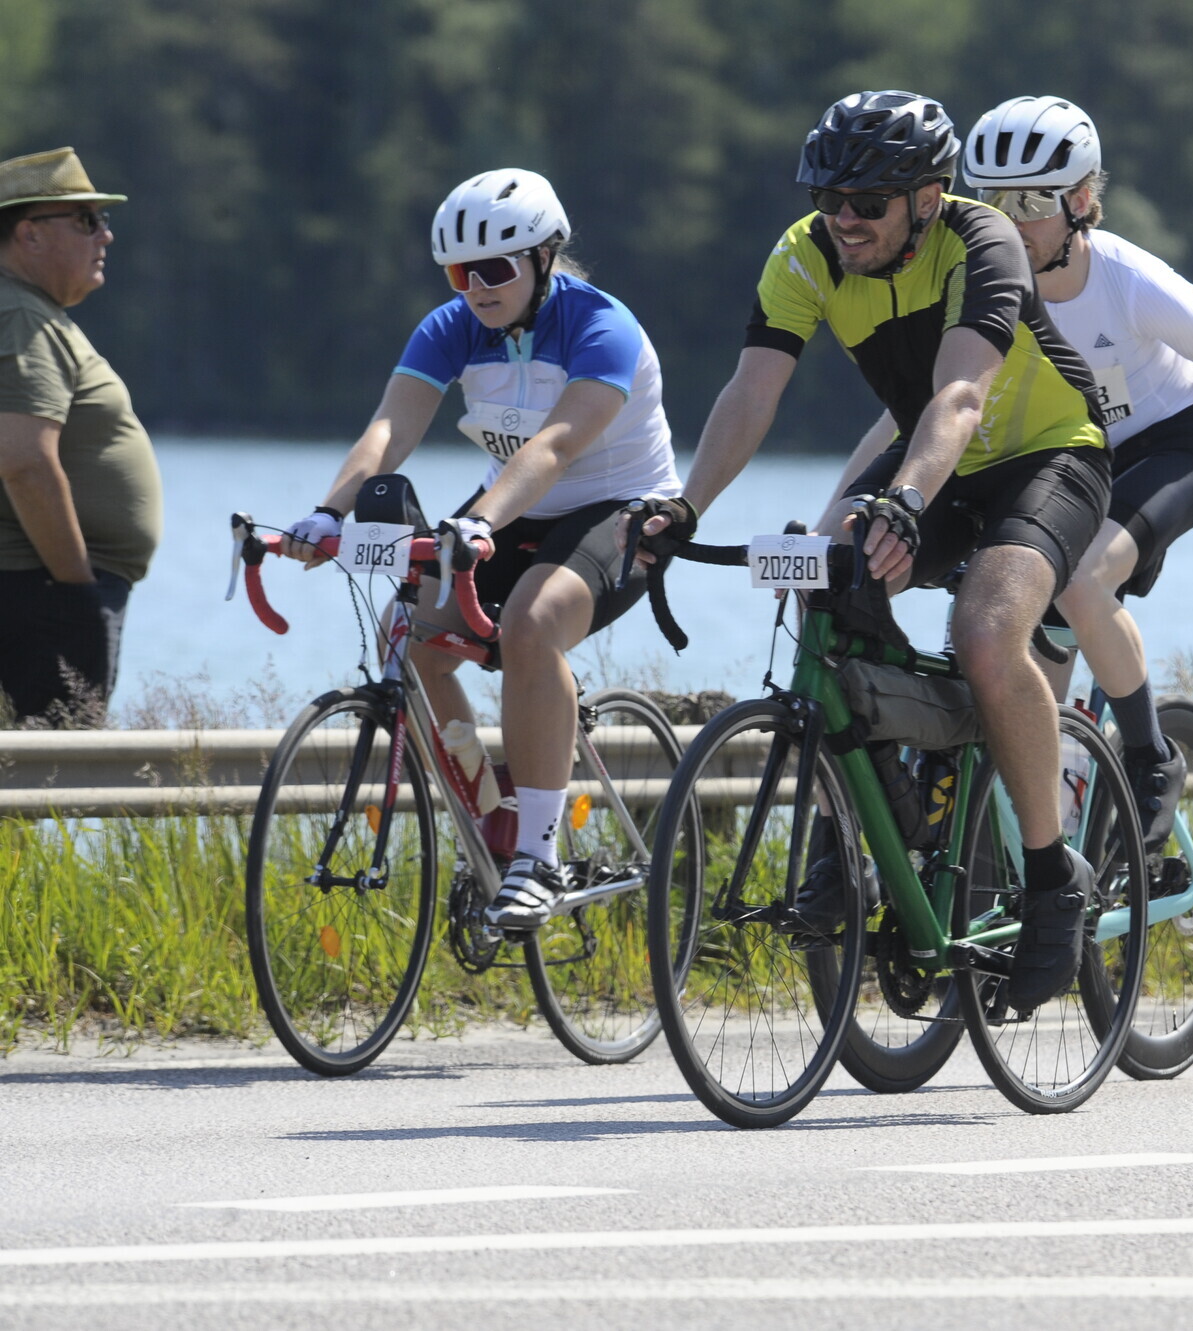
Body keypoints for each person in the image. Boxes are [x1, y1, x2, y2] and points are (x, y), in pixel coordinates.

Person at [653, 90, 1110, 1011]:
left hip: (1048, 456)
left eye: (867, 202)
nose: (844, 219)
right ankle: (856, 830)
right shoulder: (805, 253)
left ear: (928, 198)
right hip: (937, 462)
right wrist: (683, 505)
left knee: (987, 632)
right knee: (827, 573)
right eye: (829, 198)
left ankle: (1052, 874)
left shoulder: (983, 241)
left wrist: (903, 502)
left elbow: (959, 398)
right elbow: (752, 392)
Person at [279, 168, 682, 930]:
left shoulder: (603, 327)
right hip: (513, 509)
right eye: (459, 273)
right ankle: (491, 805)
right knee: (410, 635)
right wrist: (327, 513)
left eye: (494, 269)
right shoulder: (452, 326)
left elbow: (555, 447)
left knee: (532, 622)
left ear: (544, 256)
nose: (476, 288)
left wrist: (481, 522)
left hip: (619, 511)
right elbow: (391, 429)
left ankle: (538, 855)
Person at [959, 96, 1193, 852]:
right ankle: (1043, 866)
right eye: (990, 202)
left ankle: (1152, 757)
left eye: (1031, 204)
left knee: (1082, 582)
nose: (1010, 223)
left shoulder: (1125, 279)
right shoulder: (987, 285)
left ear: (1081, 201)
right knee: (1013, 645)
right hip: (1072, 461)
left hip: (1168, 447)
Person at [0, 147, 158, 727]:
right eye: (87, 220)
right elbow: (25, 463)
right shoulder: (22, 317)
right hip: (42, 594)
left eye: (103, 220)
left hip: (40, 591)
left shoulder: (25, 311)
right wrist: (77, 590)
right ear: (30, 235)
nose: (105, 236)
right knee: (47, 772)